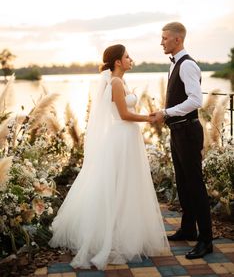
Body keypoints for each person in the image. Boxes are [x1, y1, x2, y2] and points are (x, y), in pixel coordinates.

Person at [49, 44, 170, 270]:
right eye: (127, 56)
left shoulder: (120, 81)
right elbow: (124, 115)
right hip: (121, 138)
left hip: (128, 137)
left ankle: (126, 230)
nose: (130, 59)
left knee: (127, 185)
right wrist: (150, 118)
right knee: (117, 184)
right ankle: (110, 236)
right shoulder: (115, 82)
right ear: (117, 62)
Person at [152, 22, 213, 259]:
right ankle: (189, 228)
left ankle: (206, 240)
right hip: (178, 131)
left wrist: (165, 113)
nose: (162, 42)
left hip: (188, 131)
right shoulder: (175, 64)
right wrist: (165, 113)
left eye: (165, 38)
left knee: (195, 185)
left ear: (177, 40)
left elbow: (195, 101)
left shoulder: (187, 65)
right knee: (183, 183)